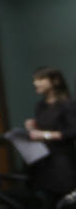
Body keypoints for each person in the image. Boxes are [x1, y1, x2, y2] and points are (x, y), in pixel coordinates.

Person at [23, 67, 76, 202]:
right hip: (43, 159)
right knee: (46, 199)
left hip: (62, 161)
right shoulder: (40, 105)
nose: (36, 83)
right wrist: (34, 126)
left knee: (64, 200)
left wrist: (45, 135)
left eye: (40, 79)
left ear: (55, 81)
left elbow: (71, 132)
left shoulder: (67, 104)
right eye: (35, 80)